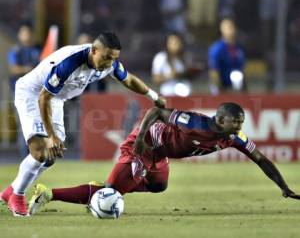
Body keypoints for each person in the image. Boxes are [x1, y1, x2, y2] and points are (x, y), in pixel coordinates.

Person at [28, 102, 300, 216]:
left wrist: (283, 187)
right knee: (111, 192)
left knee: (159, 185)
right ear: (220, 120)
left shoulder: (234, 138)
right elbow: (157, 111)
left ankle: (121, 181)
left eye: (241, 121)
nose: (240, 125)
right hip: (143, 146)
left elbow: (261, 158)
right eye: (236, 121)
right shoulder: (195, 122)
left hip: (161, 155)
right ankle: (48, 193)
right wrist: (143, 136)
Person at [0, 32, 165, 217]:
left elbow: (128, 79)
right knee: (40, 150)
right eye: (106, 58)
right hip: (34, 94)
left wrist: (154, 96)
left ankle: (11, 191)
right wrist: (52, 135)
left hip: (55, 99)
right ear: (94, 50)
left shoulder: (107, 64)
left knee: (51, 155)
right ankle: (18, 196)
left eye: (113, 59)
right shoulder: (70, 63)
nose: (109, 63)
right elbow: (43, 97)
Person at [7, 24, 41, 158]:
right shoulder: (15, 50)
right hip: (19, 93)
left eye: (29, 33)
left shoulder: (37, 50)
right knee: (24, 122)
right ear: (20, 36)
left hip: (36, 91)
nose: (27, 36)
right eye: (24, 33)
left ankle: (37, 154)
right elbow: (14, 68)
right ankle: (26, 155)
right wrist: (30, 70)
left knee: (37, 122)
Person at [208, 18, 246, 95]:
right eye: (228, 27)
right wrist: (220, 89)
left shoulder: (239, 48)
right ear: (222, 30)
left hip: (237, 88)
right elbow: (214, 71)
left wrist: (244, 88)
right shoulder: (217, 48)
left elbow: (242, 69)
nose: (231, 30)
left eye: (232, 27)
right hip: (222, 89)